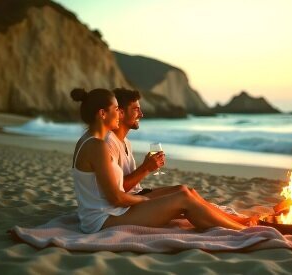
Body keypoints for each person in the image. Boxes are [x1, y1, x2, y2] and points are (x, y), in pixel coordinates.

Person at [70, 87, 255, 233]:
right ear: (103, 114)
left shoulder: (89, 141)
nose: (119, 113)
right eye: (116, 109)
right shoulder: (98, 146)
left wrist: (143, 198)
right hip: (103, 220)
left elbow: (110, 194)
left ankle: (239, 225)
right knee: (183, 199)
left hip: (107, 213)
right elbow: (116, 197)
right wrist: (144, 201)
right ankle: (244, 231)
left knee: (183, 193)